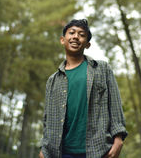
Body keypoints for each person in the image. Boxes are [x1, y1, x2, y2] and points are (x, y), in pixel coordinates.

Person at [39, 19, 127, 158]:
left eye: (81, 34)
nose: (75, 36)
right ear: (63, 40)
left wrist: (118, 139)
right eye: (71, 33)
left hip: (98, 150)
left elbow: (115, 105)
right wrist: (43, 150)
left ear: (87, 44)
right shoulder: (53, 80)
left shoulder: (102, 69)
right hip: (60, 152)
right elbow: (47, 119)